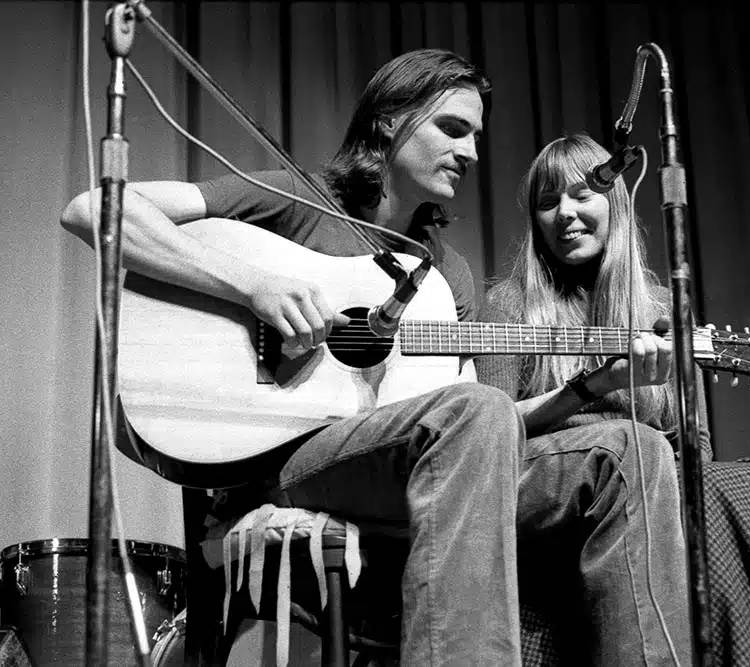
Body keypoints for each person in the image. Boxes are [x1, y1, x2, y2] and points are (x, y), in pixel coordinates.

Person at [61, 48, 523, 666]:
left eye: (475, 137)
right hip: (277, 466)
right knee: (477, 412)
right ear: (389, 121)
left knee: (625, 453)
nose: (469, 153)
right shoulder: (296, 200)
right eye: (452, 128)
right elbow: (95, 209)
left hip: (379, 463)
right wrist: (250, 284)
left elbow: (463, 414)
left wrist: (590, 387)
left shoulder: (449, 273)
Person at [476, 133, 713, 666]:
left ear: (616, 201)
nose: (565, 213)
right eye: (547, 202)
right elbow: (485, 434)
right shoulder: (508, 305)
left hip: (644, 484)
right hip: (543, 489)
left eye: (583, 194)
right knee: (632, 445)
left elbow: (693, 443)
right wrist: (592, 387)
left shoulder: (659, 307)